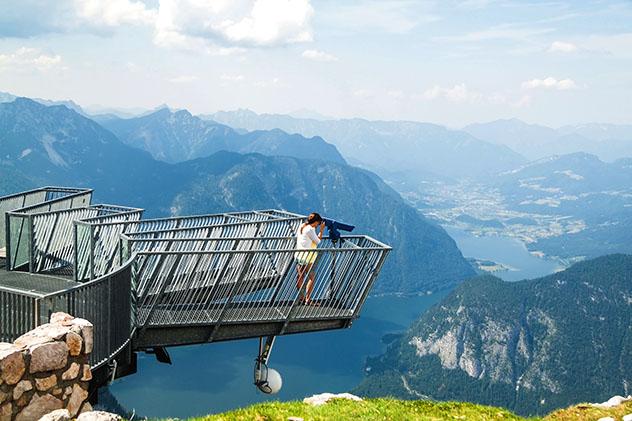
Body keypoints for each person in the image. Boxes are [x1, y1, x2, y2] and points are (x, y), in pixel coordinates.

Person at [295, 212, 325, 305]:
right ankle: (308, 300)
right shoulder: (310, 229)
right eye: (318, 223)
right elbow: (318, 241)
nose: (318, 225)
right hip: (307, 257)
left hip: (298, 255)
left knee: (300, 277)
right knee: (311, 277)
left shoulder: (302, 226)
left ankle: (301, 297)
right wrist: (321, 230)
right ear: (315, 222)